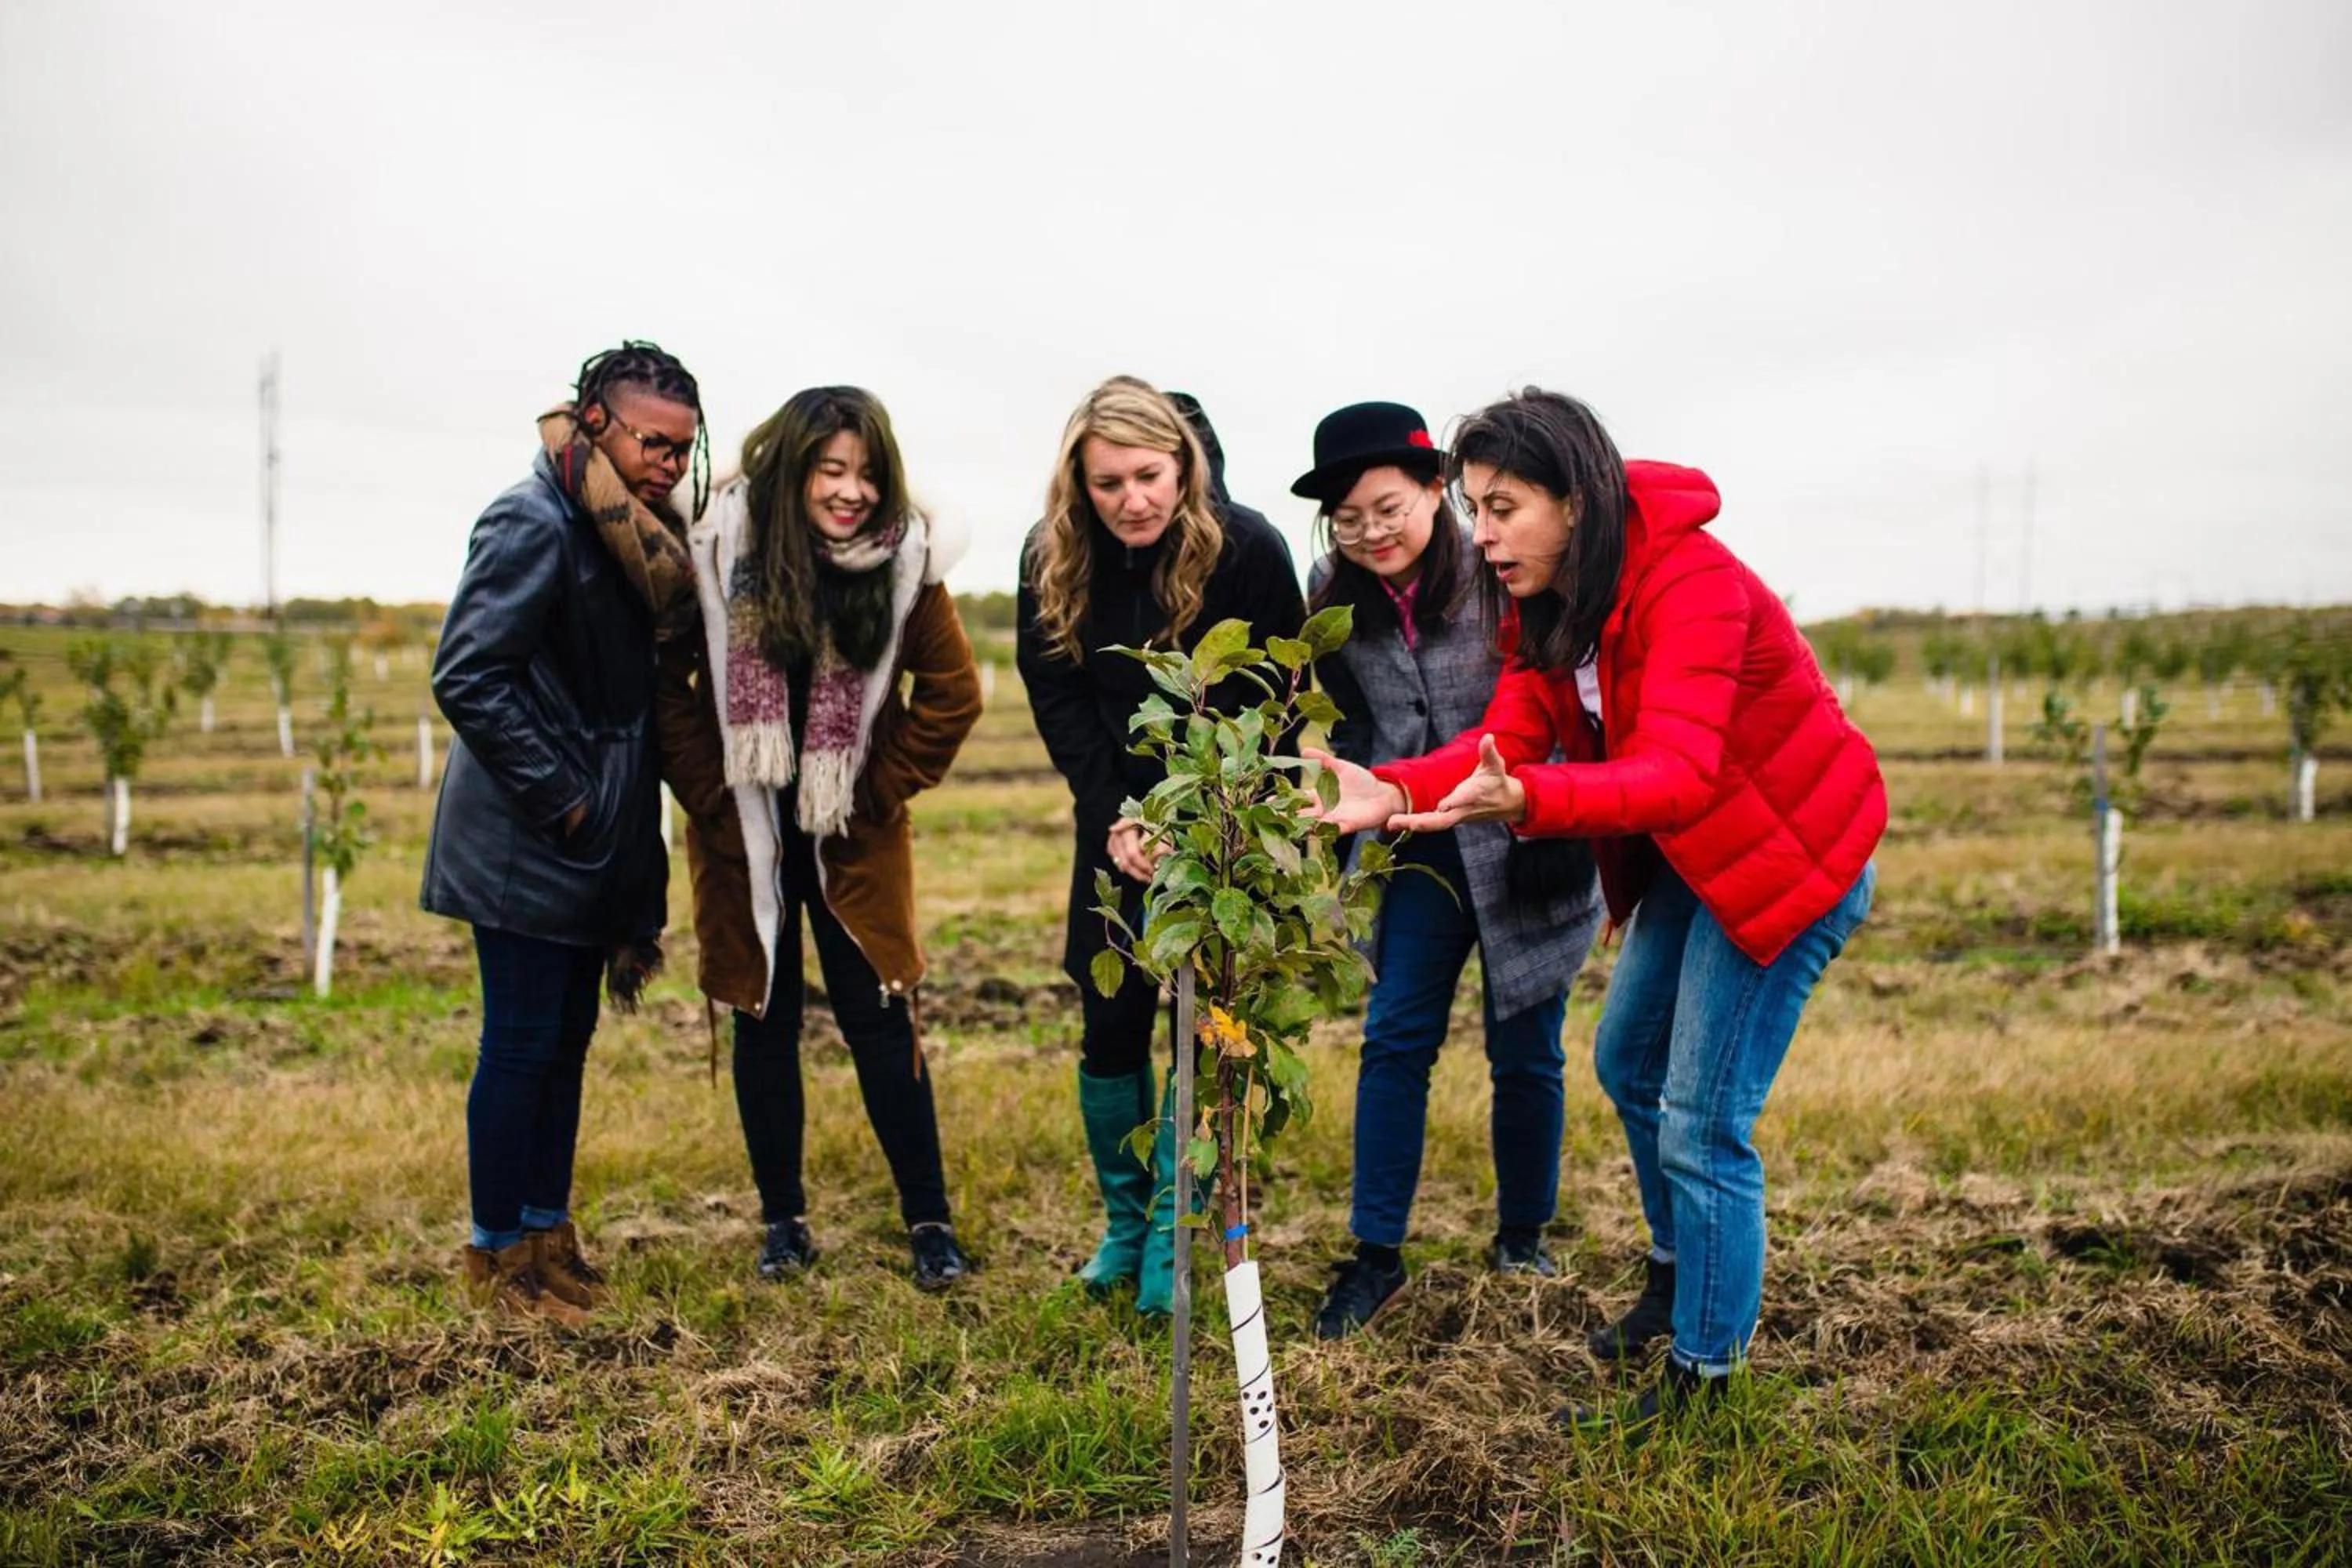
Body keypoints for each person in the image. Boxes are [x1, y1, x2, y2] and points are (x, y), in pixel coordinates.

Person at [1308, 389, 1884, 1427]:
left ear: (1576, 500)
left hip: (1790, 863)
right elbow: (1506, 742)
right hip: (1703, 864)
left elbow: (1676, 775)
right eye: (1474, 509)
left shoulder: (1689, 583)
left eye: (1503, 508)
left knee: (1705, 1124)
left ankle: (1706, 1380)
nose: (1480, 535)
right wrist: (1391, 791)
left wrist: (1531, 801)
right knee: (1626, 1063)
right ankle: (1676, 1282)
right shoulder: (1548, 604)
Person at [656, 387, 982, 1290]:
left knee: (881, 1022)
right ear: (791, 467)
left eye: (869, 475)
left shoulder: (906, 565)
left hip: (850, 834)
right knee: (765, 1020)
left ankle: (930, 1222)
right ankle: (783, 1222)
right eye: (831, 470)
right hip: (745, 827)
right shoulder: (719, 552)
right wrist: (711, 796)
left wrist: (877, 790)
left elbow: (953, 695)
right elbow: (668, 684)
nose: (851, 492)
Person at [1294, 401, 1602, 1340]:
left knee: (1526, 1047)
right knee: (1395, 1041)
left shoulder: (1501, 567)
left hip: (1523, 829)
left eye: (1389, 507)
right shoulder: (1329, 592)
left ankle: (1522, 1235)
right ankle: (1376, 1253)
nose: (1371, 532)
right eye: (1349, 519)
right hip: (1412, 842)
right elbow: (1348, 716)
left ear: (1436, 488)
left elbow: (1542, 697)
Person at [423, 340, 710, 1325]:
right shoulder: (531, 517)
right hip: (525, 838)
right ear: (594, 421)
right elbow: (468, 676)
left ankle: (548, 1236)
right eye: (652, 442)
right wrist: (569, 799)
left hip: (597, 840)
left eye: (683, 449)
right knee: (520, 1043)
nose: (669, 464)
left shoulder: (631, 533)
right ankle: (498, 1257)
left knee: (569, 1043)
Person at [1016, 376, 1305, 1315]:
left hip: (1220, 831)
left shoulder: (1249, 548)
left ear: (1185, 465)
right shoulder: (1051, 560)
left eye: (1149, 474)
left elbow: (1280, 698)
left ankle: (1178, 1239)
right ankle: (1124, 1225)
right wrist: (1117, 815)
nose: (1132, 499)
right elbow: (1058, 699)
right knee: (1110, 1025)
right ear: (1078, 484)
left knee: (1203, 1030)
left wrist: (1214, 818)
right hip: (1113, 829)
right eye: (1108, 483)